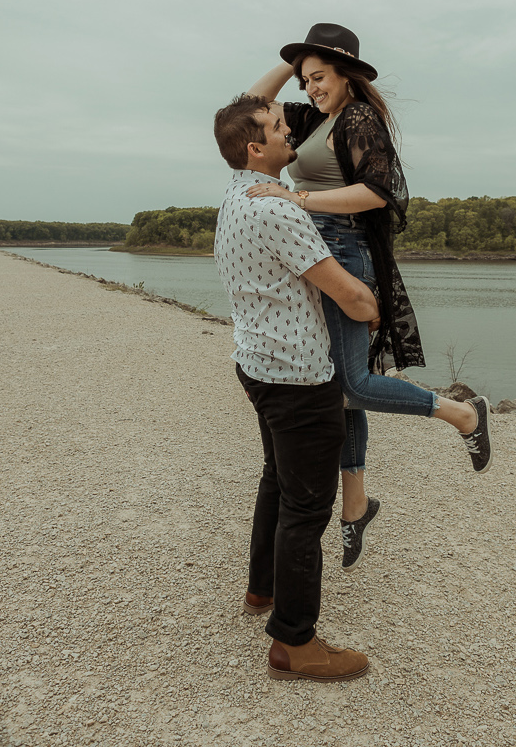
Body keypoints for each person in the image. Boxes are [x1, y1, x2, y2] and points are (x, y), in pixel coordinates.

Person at [245, 23, 491, 571]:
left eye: (319, 77)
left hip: (346, 251)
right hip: (314, 250)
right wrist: (293, 60)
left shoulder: (357, 116)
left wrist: (298, 196)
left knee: (353, 382)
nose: (310, 89)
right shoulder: (314, 118)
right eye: (306, 80)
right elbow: (250, 107)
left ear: (345, 74)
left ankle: (464, 414)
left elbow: (379, 191)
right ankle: (355, 506)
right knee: (336, 386)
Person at [212, 93, 377, 681]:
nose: (291, 135)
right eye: (280, 128)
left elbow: (239, 115)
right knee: (308, 507)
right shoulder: (276, 210)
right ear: (256, 148)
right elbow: (348, 294)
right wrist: (375, 310)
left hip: (256, 363)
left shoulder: (234, 196)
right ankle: (295, 642)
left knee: (277, 481)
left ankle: (263, 589)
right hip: (299, 377)